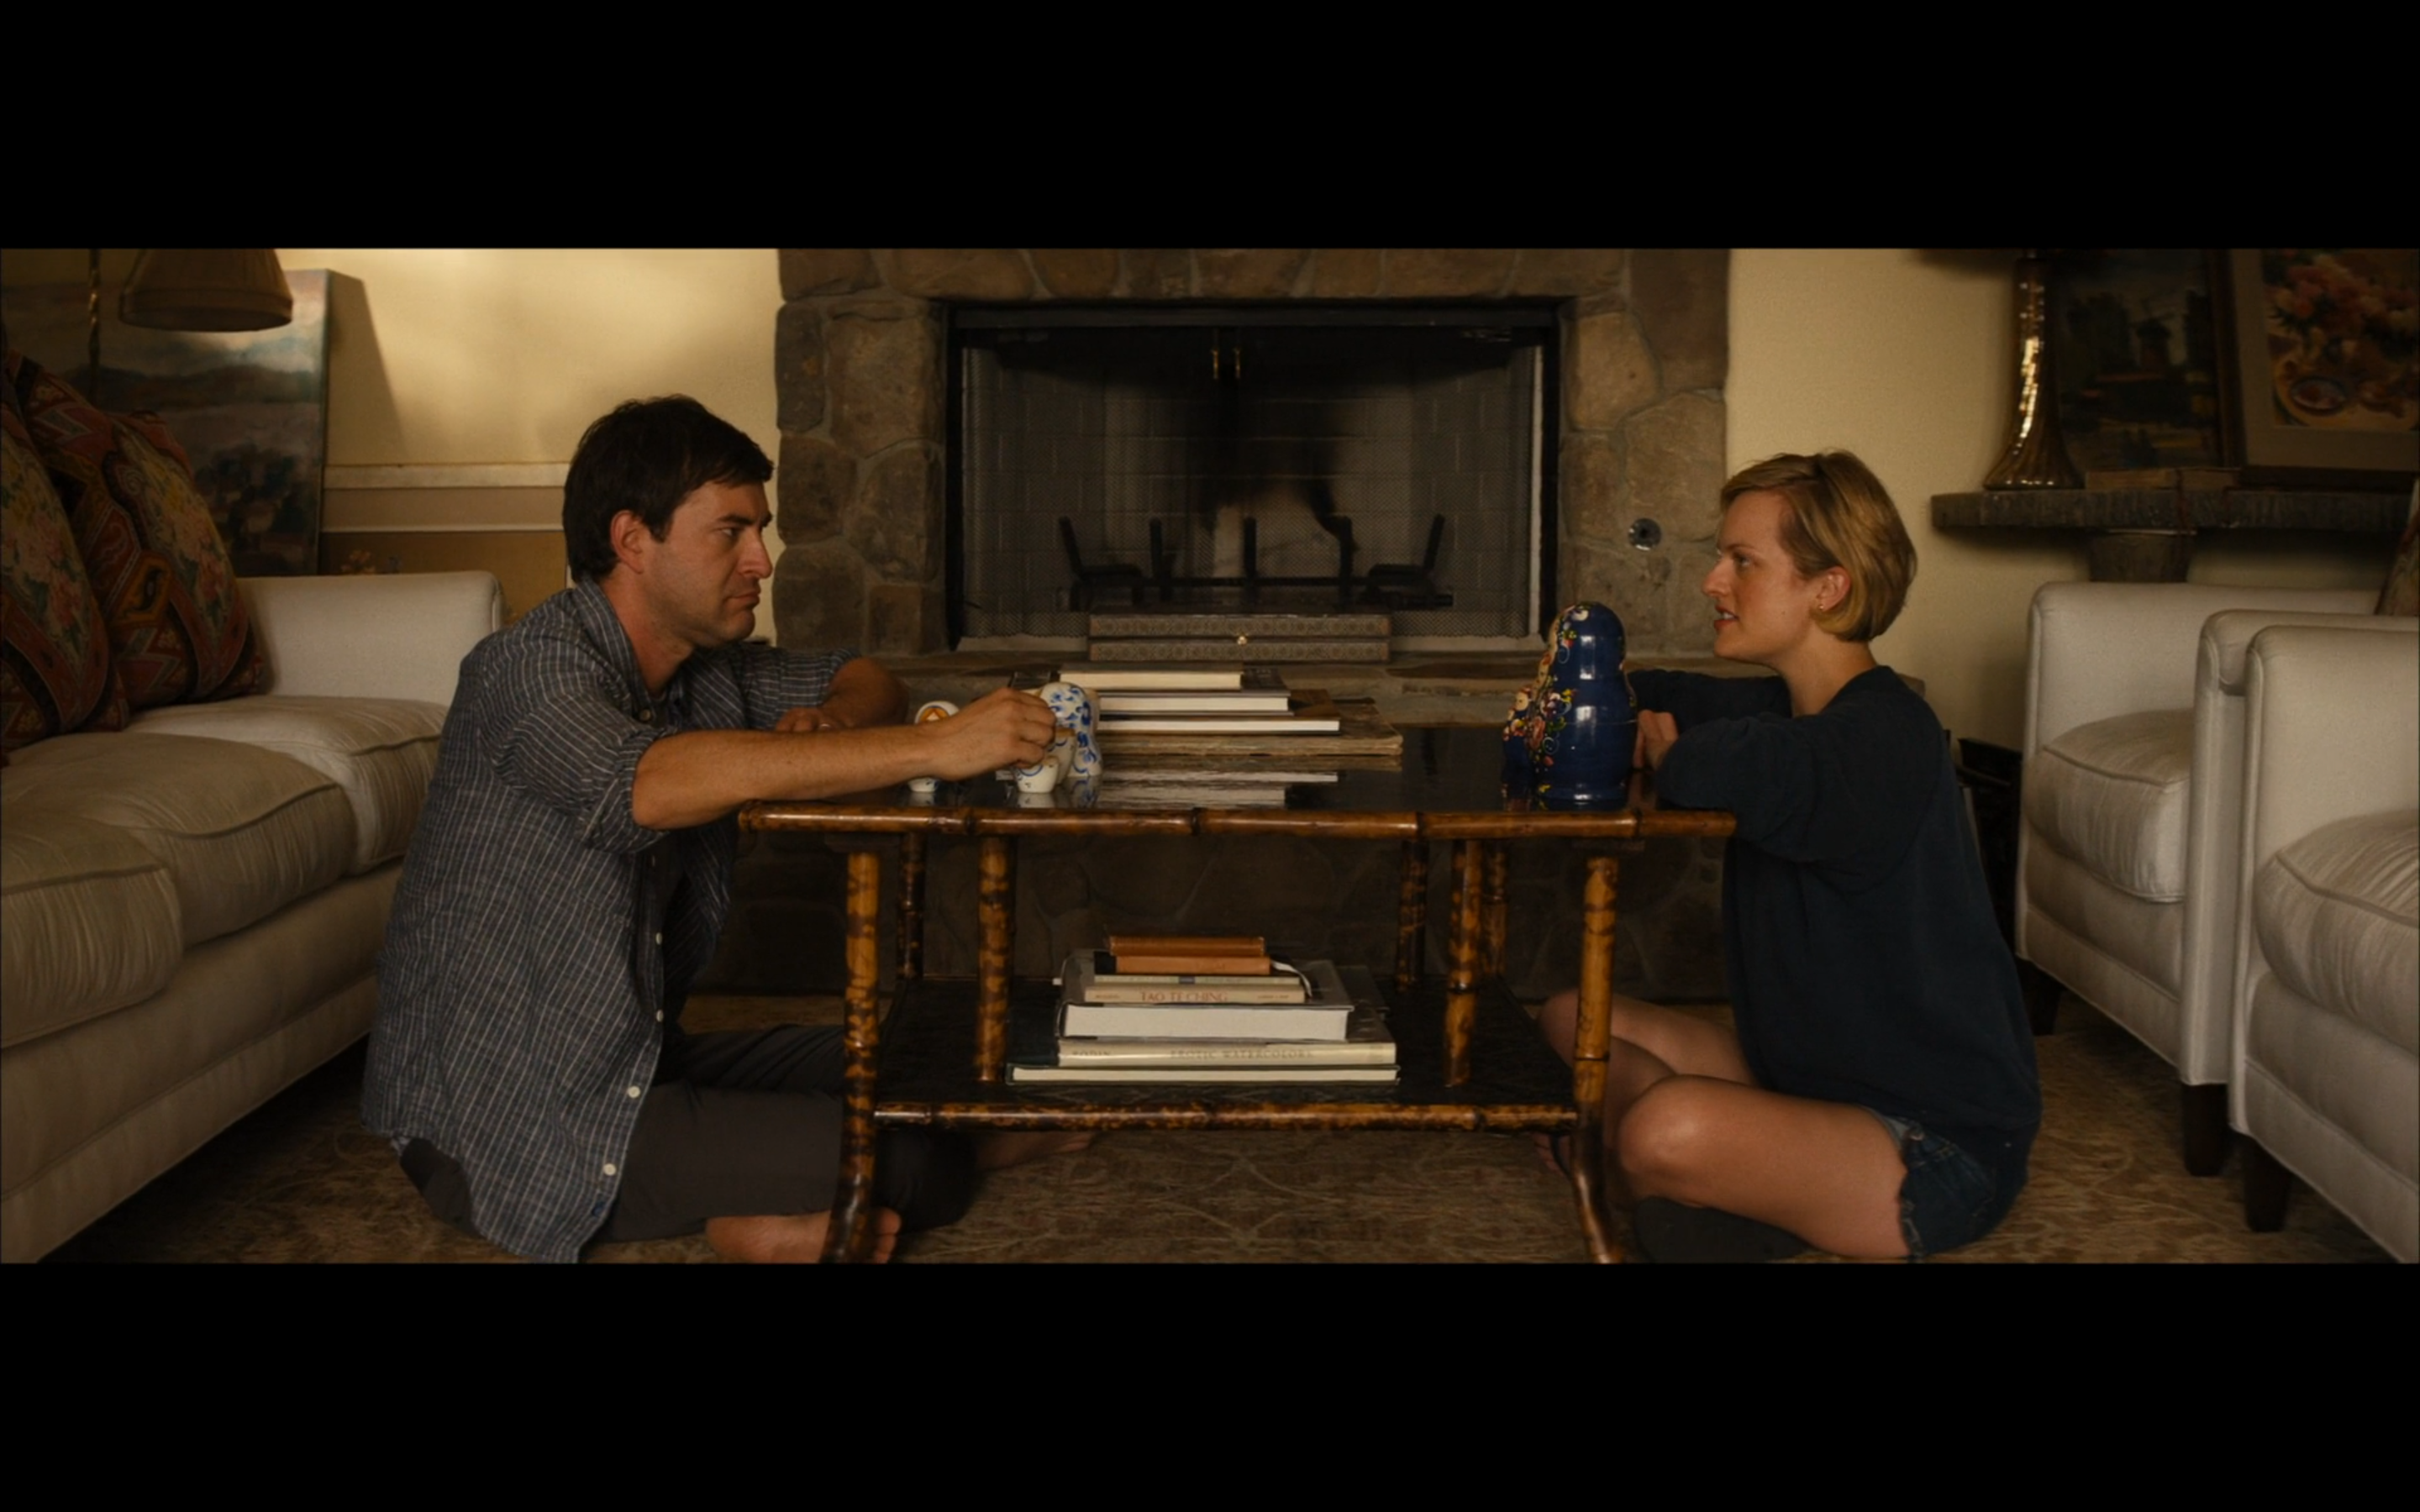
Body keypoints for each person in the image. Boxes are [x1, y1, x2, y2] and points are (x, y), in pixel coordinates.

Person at [364, 396, 1079, 1263]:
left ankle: (841, 1163)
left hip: (633, 1062)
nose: (761, 562)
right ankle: (758, 1216)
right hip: (511, 1122)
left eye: (761, 532)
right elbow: (645, 785)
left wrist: (831, 724)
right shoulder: (525, 668)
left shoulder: (704, 674)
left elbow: (866, 676)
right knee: (910, 1155)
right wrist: (939, 745)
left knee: (938, 1057)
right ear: (633, 539)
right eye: (731, 532)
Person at [1536, 450, 2041, 1262]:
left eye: (1743, 561)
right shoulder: (1788, 708)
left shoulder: (1889, 731)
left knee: (1668, 1125)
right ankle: (1721, 1186)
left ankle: (1648, 1171)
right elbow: (1659, 695)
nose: (1712, 582)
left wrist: (1672, 755)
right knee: (1568, 1017)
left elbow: (1722, 765)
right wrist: (1607, 703)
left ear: (1828, 587)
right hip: (1803, 1085)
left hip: (1933, 1148)